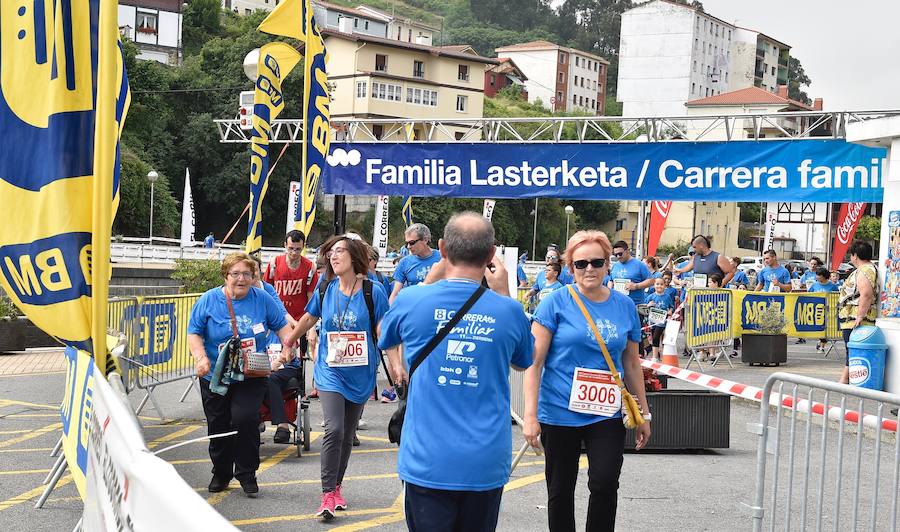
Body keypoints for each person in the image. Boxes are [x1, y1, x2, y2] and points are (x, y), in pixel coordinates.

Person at [379, 212, 534, 532]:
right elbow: (523, 360)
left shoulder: (412, 298)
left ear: (441, 249)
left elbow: (386, 338)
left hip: (427, 458)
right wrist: (504, 293)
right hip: (485, 460)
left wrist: (428, 282)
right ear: (492, 255)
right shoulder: (509, 310)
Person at [524, 230, 651, 532]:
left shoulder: (625, 307)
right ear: (570, 268)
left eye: (596, 262)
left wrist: (643, 413)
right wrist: (530, 416)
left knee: (605, 483)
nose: (589, 269)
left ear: (609, 265)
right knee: (560, 491)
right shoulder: (554, 304)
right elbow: (534, 361)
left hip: (605, 413)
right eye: (580, 264)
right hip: (558, 411)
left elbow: (631, 363)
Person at [281, 236, 389, 520]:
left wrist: (399, 360)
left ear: (354, 256)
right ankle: (327, 493)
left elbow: (383, 329)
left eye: (339, 251)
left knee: (347, 434)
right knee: (334, 429)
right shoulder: (325, 288)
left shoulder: (372, 291)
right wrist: (289, 342)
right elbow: (308, 318)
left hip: (361, 372)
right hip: (330, 371)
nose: (333, 256)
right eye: (330, 253)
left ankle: (337, 486)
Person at [187, 252, 293, 496]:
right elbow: (194, 331)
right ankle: (221, 472)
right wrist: (201, 358)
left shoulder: (262, 299)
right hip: (215, 374)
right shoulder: (209, 300)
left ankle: (246, 472)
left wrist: (287, 348)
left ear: (253, 276)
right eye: (235, 274)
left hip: (251, 372)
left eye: (247, 273)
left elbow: (283, 328)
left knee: (245, 418)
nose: (241, 279)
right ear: (226, 276)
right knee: (219, 424)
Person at [838, 241, 879, 384]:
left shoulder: (865, 270)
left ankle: (845, 380)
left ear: (855, 256)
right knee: (852, 349)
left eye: (851, 254)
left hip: (856, 318)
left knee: (853, 349)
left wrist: (860, 316)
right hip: (853, 317)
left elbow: (866, 294)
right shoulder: (867, 269)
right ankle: (846, 379)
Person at [389, 223, 442, 304]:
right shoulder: (405, 262)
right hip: (414, 308)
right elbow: (395, 294)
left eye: (412, 242)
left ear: (425, 240)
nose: (408, 247)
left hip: (438, 308)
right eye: (406, 243)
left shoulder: (443, 258)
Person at [607, 240, 653, 306]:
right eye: (615, 254)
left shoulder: (639, 264)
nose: (618, 256)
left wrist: (636, 286)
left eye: (620, 254)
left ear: (627, 251)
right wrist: (609, 289)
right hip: (617, 304)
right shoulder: (615, 265)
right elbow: (611, 280)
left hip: (634, 305)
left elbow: (651, 281)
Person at [808, 267, 839, 352]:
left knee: (826, 329)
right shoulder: (814, 285)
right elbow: (809, 295)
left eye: (819, 275)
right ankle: (820, 342)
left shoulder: (832, 286)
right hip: (817, 310)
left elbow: (837, 297)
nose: (817, 277)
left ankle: (822, 346)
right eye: (817, 275)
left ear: (824, 276)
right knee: (820, 328)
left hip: (828, 311)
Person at [645, 277, 676, 361]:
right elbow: (644, 307)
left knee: (656, 337)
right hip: (652, 321)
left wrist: (670, 311)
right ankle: (658, 355)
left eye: (661, 284)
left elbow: (671, 306)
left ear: (664, 286)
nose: (659, 286)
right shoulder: (651, 296)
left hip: (662, 321)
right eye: (657, 284)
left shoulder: (667, 297)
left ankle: (655, 357)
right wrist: (649, 305)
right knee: (654, 337)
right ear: (654, 285)